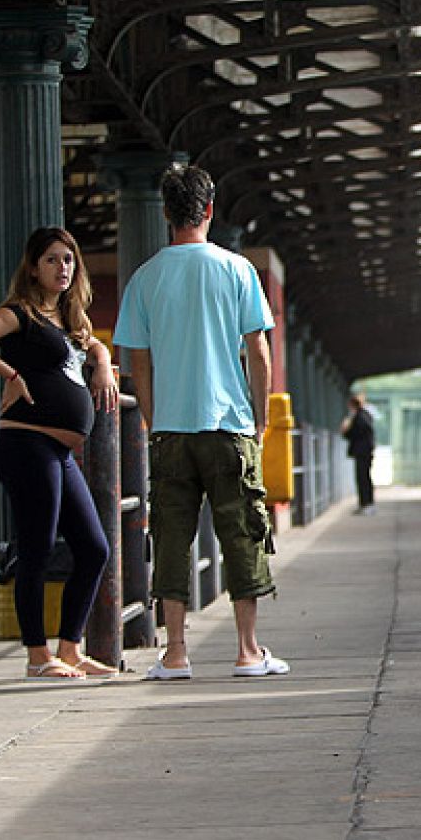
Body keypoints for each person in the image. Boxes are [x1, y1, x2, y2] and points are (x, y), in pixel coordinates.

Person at [113, 165, 288, 680]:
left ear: (166, 213)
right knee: (243, 534)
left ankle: (176, 654)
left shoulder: (145, 277)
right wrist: (258, 419)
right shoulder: (237, 271)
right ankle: (247, 651)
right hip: (229, 426)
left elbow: (137, 362)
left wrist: (151, 419)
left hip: (171, 429)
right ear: (209, 210)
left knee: (170, 537)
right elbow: (257, 349)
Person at [0, 227, 120, 681]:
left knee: (93, 547)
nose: (62, 268)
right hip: (26, 446)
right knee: (38, 547)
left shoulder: (71, 321)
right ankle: (36, 655)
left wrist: (102, 364)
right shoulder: (20, 313)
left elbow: (96, 344)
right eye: (51, 260)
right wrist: (9, 373)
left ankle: (69, 648)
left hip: (59, 455)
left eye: (68, 260)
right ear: (32, 266)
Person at [341, 393, 376, 515]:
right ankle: (367, 504)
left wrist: (346, 429)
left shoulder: (359, 417)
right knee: (364, 478)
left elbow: (353, 434)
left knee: (362, 478)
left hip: (362, 452)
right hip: (366, 452)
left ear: (352, 404)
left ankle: (366, 504)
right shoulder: (365, 415)